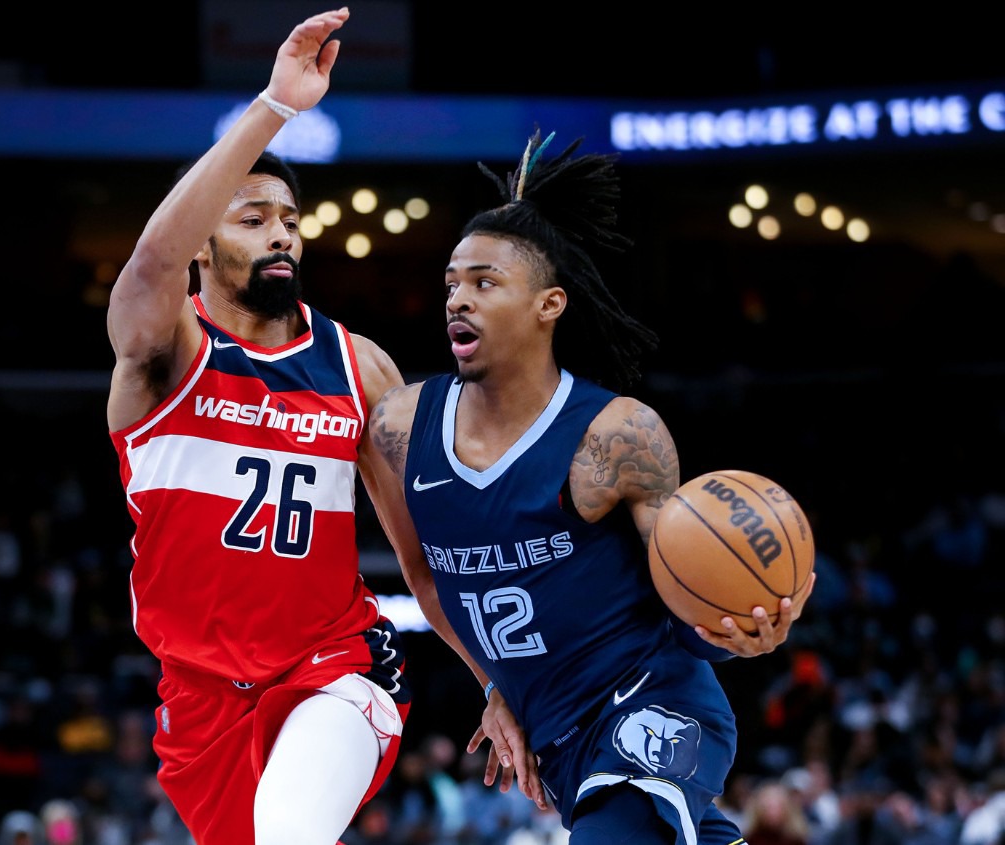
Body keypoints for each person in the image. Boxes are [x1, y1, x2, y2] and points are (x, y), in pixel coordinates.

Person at [370, 129, 816, 844]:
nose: (458, 298)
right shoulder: (398, 427)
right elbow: (424, 576)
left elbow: (689, 592)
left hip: (652, 709)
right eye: (452, 282)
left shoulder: (616, 436)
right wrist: (493, 686)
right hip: (556, 739)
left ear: (550, 304)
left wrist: (739, 632)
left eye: (485, 283)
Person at [105, 8, 434, 845]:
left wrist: (506, 688)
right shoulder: (164, 358)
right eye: (253, 219)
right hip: (201, 700)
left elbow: (422, 560)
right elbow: (147, 265)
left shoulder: (363, 367)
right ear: (203, 249)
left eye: (289, 219)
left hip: (336, 667)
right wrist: (274, 107)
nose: (282, 233)